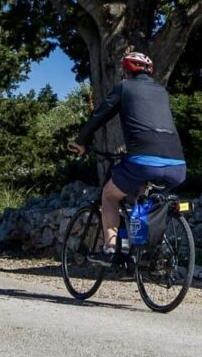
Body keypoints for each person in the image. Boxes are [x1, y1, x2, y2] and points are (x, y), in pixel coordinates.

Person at [66, 51, 187, 263]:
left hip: (143, 161)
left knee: (109, 195)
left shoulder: (125, 87)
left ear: (126, 71)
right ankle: (145, 251)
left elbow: (100, 115)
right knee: (143, 196)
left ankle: (111, 249)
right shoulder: (161, 91)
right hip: (178, 165)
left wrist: (81, 141)